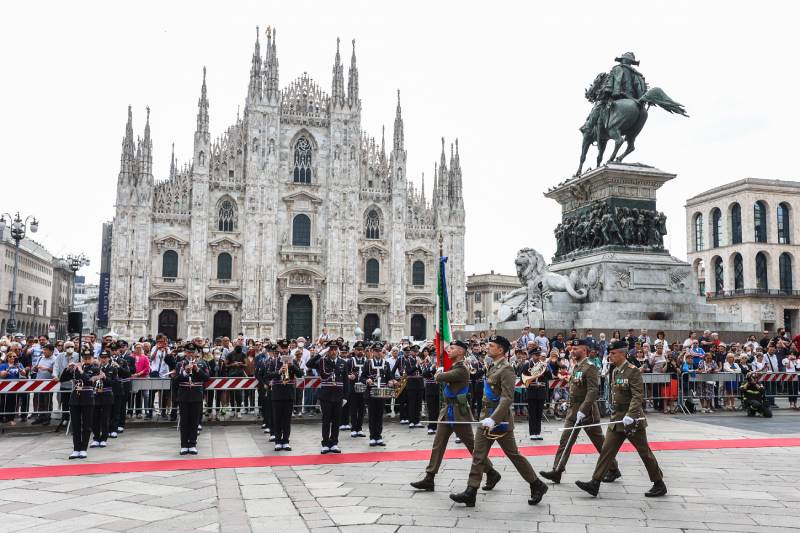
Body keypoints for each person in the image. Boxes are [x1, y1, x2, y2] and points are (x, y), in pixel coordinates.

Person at [450, 335, 548, 508]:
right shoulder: (493, 366)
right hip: (485, 417)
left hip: (500, 420)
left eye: (491, 345)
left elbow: (507, 398)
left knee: (513, 455)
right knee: (478, 455)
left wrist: (494, 418)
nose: (488, 347)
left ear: (501, 350)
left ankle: (537, 484)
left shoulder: (506, 369)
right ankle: (471, 492)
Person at [575, 339, 666, 498]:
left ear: (623, 354)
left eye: (613, 353)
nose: (610, 356)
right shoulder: (615, 371)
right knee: (606, 451)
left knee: (645, 452)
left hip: (633, 421)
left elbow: (638, 396)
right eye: (609, 353)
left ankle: (659, 482)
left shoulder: (633, 371)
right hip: (617, 419)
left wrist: (631, 415)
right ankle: (595, 483)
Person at [410, 340, 500, 492]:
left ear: (460, 352)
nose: (448, 351)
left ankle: (491, 472)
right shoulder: (455, 366)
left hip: (459, 413)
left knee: (472, 447)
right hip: (448, 412)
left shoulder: (462, 369)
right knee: (438, 445)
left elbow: (439, 378)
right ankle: (429, 477)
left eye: (452, 349)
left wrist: (438, 372)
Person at [540, 339, 621, 483]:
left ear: (584, 350)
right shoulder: (576, 367)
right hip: (573, 411)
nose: (572, 351)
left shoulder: (589, 367)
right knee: (565, 441)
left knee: (599, 443)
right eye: (572, 349)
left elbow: (593, 391)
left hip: (587, 412)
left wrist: (583, 410)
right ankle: (557, 470)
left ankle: (613, 469)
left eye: (576, 348)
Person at [307, 341, 347, 454]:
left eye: (335, 349)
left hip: (338, 395)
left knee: (336, 420)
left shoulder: (343, 362)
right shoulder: (322, 361)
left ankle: (334, 443)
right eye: (331, 349)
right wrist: (320, 353)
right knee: (326, 420)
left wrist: (345, 397)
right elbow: (309, 364)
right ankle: (325, 443)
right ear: (328, 351)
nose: (333, 351)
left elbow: (346, 381)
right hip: (326, 395)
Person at [59, 347, 100, 459]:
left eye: (88, 358)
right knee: (75, 425)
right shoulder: (76, 368)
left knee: (86, 425)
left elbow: (89, 381)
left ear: (92, 358)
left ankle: (83, 449)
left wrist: (81, 370)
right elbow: (62, 379)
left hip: (88, 398)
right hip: (75, 399)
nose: (86, 360)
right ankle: (76, 449)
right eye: (84, 358)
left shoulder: (95, 369)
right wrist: (68, 369)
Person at [267, 340, 303, 451]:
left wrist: (292, 366)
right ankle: (278, 441)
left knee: (287, 419)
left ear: (288, 348)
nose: (284, 350)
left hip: (289, 393)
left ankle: (286, 441)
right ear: (278, 348)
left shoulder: (293, 361)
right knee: (277, 418)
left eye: (286, 348)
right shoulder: (274, 362)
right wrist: (278, 372)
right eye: (282, 348)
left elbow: (300, 374)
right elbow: (268, 375)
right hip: (277, 393)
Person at [174, 343, 209, 455]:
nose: (190, 354)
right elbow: (175, 381)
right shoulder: (180, 364)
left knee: (194, 421)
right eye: (188, 352)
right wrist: (185, 372)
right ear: (185, 352)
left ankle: (193, 444)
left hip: (196, 395)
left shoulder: (202, 363)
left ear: (195, 353)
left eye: (192, 352)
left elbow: (207, 378)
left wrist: (197, 369)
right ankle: (184, 445)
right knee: (184, 421)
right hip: (184, 395)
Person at [361, 342, 390, 446]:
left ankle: (379, 436)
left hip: (382, 392)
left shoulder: (386, 363)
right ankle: (372, 436)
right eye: (376, 351)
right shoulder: (368, 363)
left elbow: (389, 377)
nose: (378, 353)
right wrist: (367, 380)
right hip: (371, 392)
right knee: (372, 415)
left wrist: (391, 381)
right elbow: (362, 377)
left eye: (380, 351)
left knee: (380, 415)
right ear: (372, 352)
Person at [521, 350, 551, 440]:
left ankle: (538, 433)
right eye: (536, 355)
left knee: (539, 413)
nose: (538, 357)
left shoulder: (543, 365)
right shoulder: (527, 365)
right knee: (532, 413)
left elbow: (550, 377)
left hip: (541, 390)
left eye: (539, 355)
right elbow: (523, 378)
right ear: (532, 355)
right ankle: (532, 433)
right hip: (532, 391)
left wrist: (547, 369)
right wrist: (531, 377)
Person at [90, 350, 117, 448]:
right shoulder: (95, 368)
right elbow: (90, 380)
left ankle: (104, 438)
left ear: (109, 358)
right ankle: (96, 438)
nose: (104, 359)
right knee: (95, 418)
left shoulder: (112, 369)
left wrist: (105, 377)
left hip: (107, 395)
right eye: (102, 357)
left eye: (105, 357)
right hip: (96, 394)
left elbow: (114, 383)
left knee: (105, 418)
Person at [347, 341, 367, 437]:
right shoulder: (350, 361)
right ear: (354, 350)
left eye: (361, 350)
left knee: (362, 409)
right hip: (353, 388)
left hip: (364, 388)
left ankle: (360, 428)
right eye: (358, 349)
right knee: (353, 409)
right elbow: (344, 373)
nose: (360, 351)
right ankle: (354, 428)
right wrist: (349, 376)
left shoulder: (367, 361)